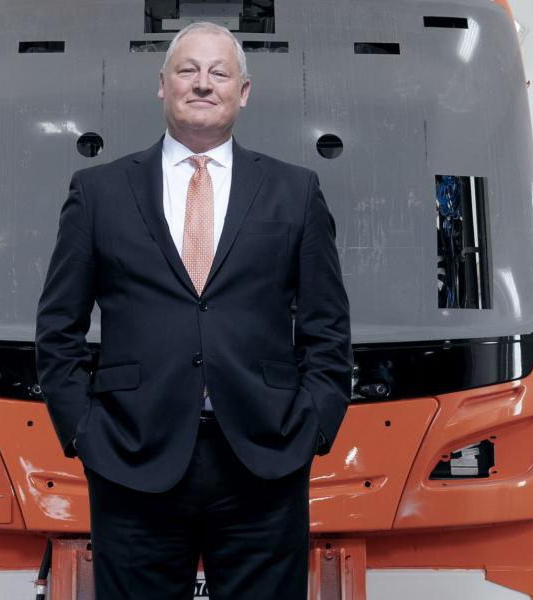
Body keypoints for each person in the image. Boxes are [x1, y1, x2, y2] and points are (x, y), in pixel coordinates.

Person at [35, 21, 352, 599]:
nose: (202, 84)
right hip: (131, 457)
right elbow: (59, 326)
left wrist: (316, 423)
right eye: (187, 70)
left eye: (219, 72)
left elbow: (327, 328)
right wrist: (84, 431)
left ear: (243, 91)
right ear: (163, 85)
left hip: (267, 456)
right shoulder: (98, 191)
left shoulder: (296, 190)